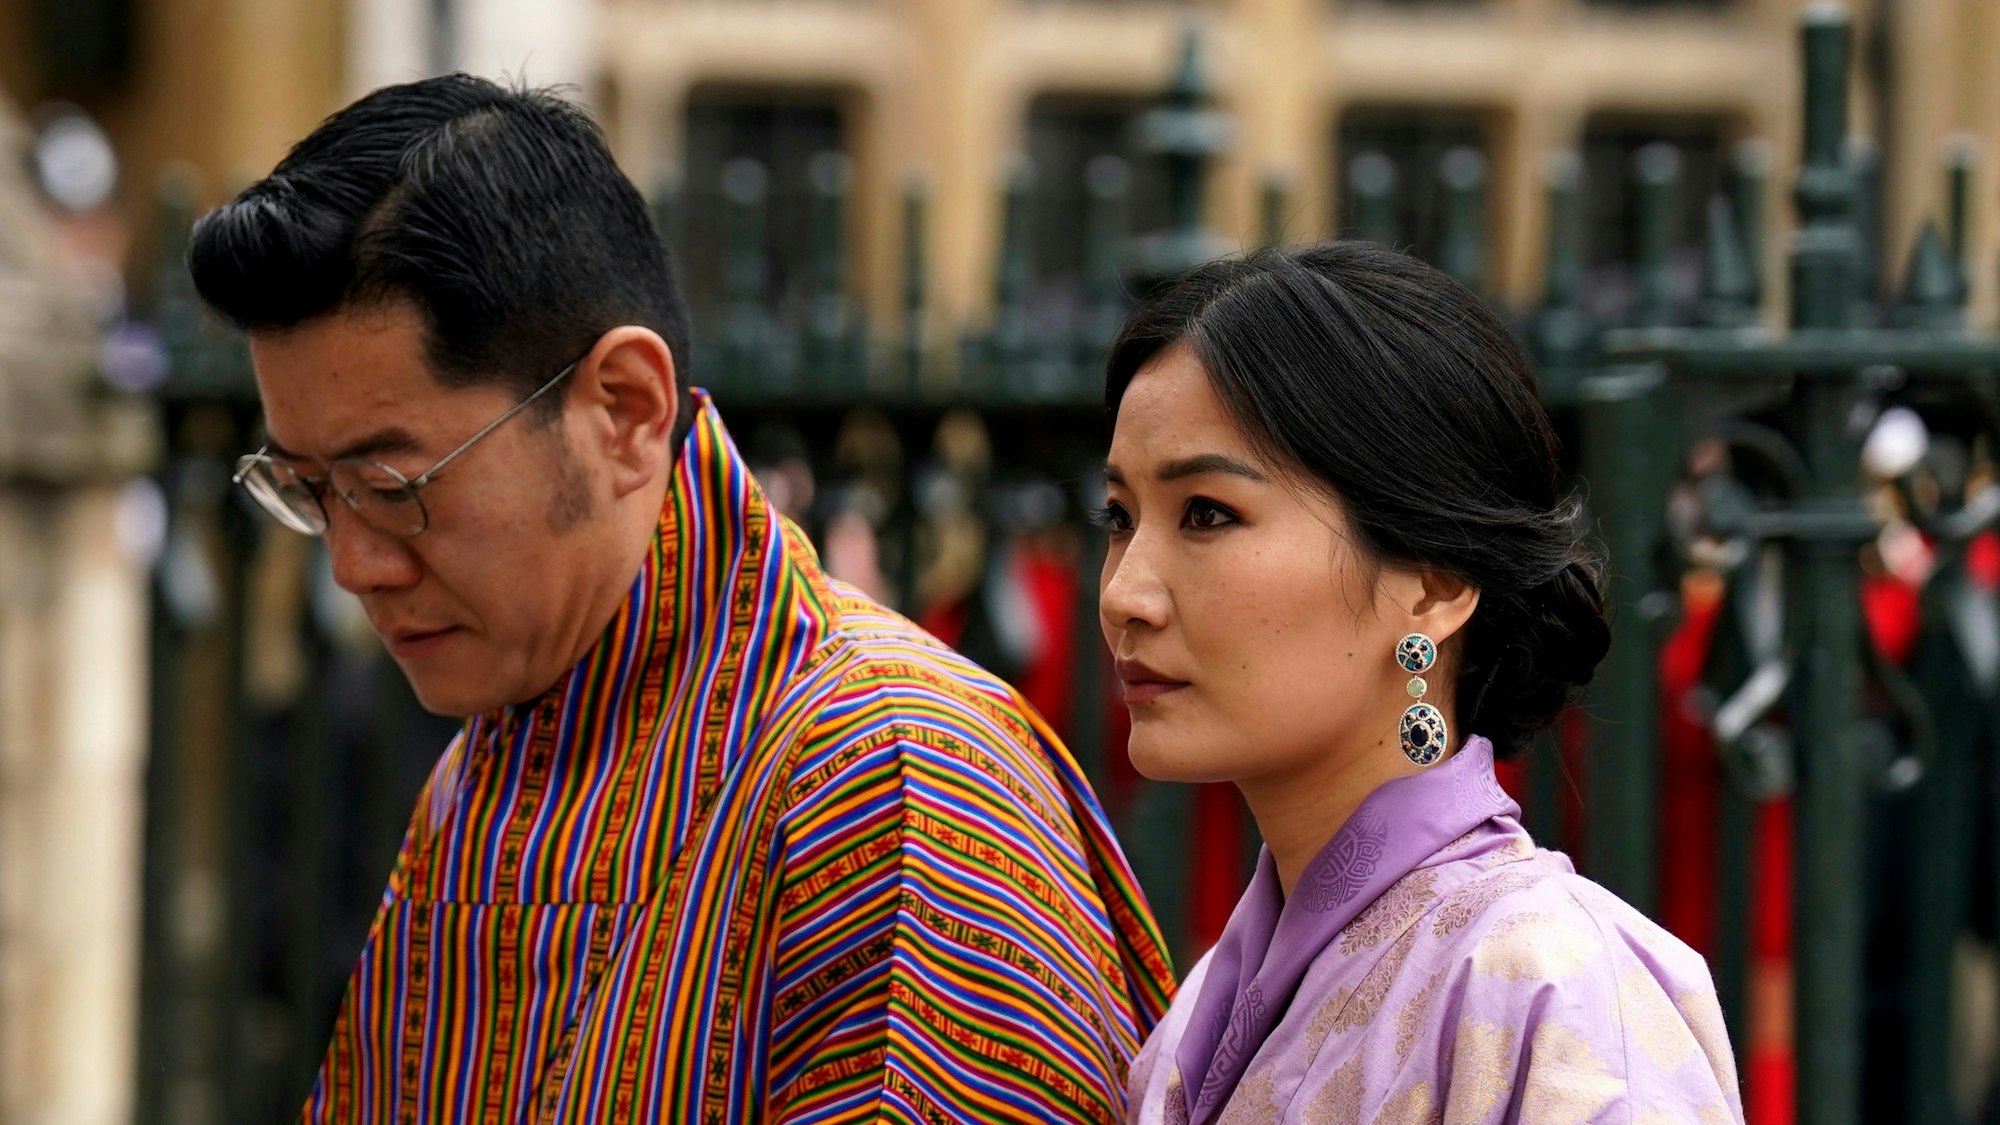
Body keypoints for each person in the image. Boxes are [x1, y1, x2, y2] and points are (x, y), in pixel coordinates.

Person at [189, 75, 1174, 1122]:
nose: (351, 562)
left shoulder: (886, 777)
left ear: (623, 408)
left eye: (390, 488)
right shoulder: (494, 760)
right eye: (307, 491)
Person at [1099, 243, 1743, 1124]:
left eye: (1208, 513)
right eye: (1119, 518)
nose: (1124, 592)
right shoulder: (1200, 1010)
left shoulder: (1553, 988)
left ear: (1435, 581)